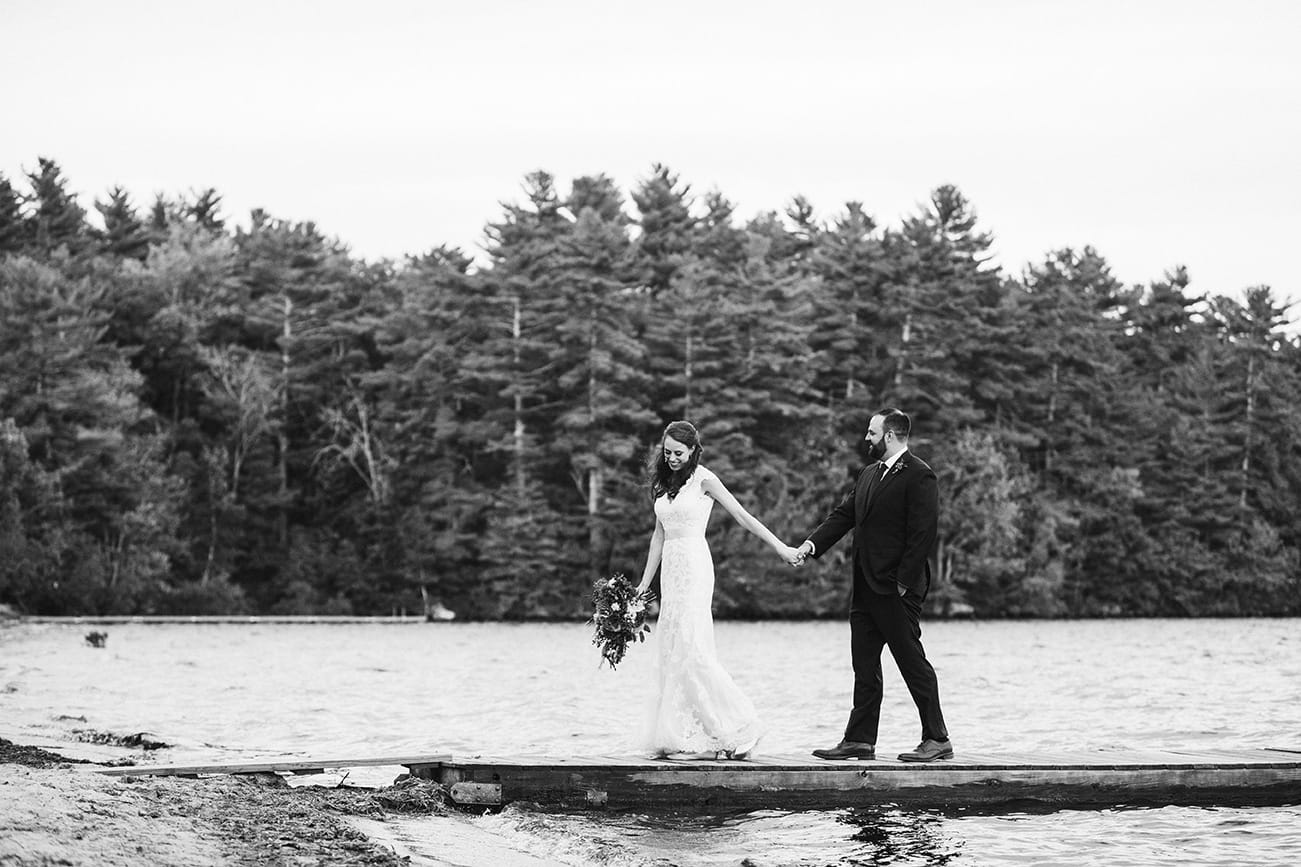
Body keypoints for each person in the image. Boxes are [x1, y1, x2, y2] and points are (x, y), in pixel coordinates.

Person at [636, 420, 802, 761]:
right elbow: (659, 535)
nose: (671, 459)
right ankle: (687, 736)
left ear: (694, 451)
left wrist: (781, 547)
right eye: (667, 452)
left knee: (693, 650)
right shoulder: (663, 482)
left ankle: (739, 728)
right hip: (671, 568)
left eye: (679, 453)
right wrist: (643, 583)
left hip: (695, 566)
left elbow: (742, 516)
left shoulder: (704, 480)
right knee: (672, 649)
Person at [796, 408, 953, 763]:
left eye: (872, 433)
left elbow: (923, 533)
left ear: (892, 436)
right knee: (864, 666)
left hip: (896, 588)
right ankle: (859, 740)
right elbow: (843, 515)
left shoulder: (919, 475)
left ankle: (937, 738)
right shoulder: (868, 474)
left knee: (912, 662)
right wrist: (811, 545)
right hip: (865, 587)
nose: (866, 438)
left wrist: (902, 583)